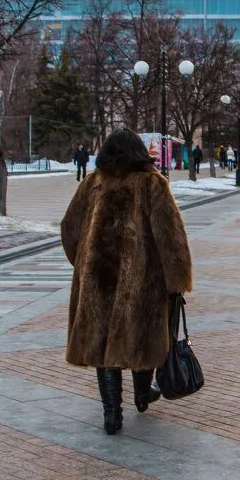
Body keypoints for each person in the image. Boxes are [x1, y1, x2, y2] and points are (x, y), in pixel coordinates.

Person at [61, 129, 193, 435]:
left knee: (102, 346)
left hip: (97, 280)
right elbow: (171, 237)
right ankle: (143, 395)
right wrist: (176, 280)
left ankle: (112, 414)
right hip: (142, 282)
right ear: (139, 152)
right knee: (141, 337)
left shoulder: (92, 183)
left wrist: (83, 264)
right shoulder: (152, 184)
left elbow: (69, 228)